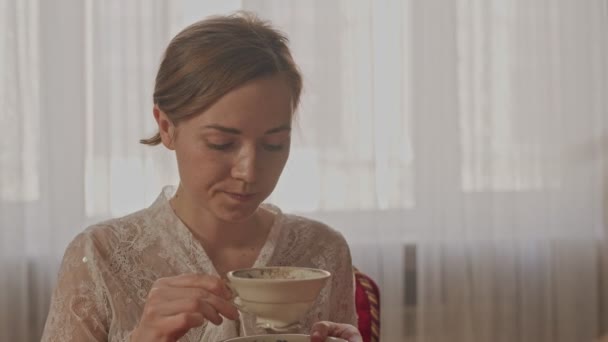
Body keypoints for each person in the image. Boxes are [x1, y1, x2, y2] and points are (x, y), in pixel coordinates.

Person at [41, 11, 363, 342]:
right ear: (166, 128)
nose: (249, 172)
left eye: (274, 144)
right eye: (221, 143)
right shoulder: (98, 257)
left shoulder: (323, 251)